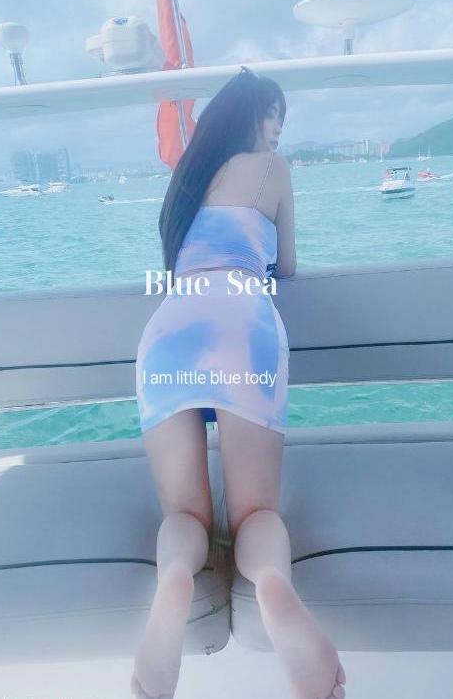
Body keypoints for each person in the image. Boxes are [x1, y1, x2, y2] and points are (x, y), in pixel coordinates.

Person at [131, 67, 346, 699]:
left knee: (185, 515)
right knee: (254, 514)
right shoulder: (272, 169)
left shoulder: (186, 177)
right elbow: (288, 266)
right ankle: (274, 590)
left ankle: (175, 582)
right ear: (250, 114)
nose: (278, 129)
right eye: (274, 114)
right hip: (243, 327)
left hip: (169, 331)